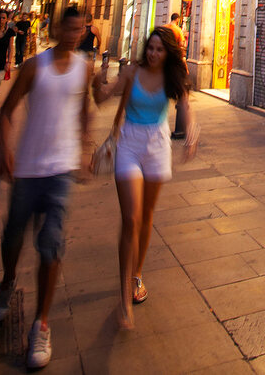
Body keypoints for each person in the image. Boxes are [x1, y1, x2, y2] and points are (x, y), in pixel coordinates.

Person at [0, 7, 91, 370]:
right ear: (58, 26)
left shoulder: (84, 67)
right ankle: (7, 281)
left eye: (80, 29)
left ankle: (41, 324)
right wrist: (5, 149)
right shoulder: (35, 66)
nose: (74, 34)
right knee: (13, 237)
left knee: (51, 243)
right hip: (29, 168)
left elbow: (84, 110)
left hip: (61, 170)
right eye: (70, 27)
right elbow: (6, 111)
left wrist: (84, 148)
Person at [93, 26, 197, 329]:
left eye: (159, 49)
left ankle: (137, 274)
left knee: (147, 214)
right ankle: (125, 295)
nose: (153, 53)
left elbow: (186, 104)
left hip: (157, 144)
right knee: (131, 218)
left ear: (168, 53)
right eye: (150, 48)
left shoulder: (173, 76)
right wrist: (96, 79)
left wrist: (191, 132)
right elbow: (102, 97)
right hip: (129, 143)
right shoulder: (132, 72)